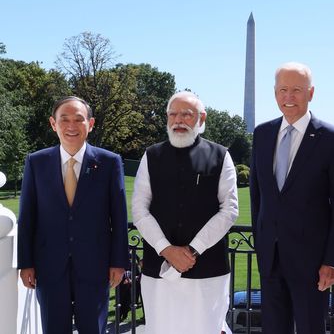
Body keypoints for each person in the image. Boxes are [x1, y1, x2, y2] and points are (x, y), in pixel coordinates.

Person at [250, 62, 334, 334]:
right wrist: (261, 242)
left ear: (311, 93)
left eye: (297, 90)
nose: (289, 97)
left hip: (313, 262)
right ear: (274, 93)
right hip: (270, 259)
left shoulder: (331, 138)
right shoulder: (261, 134)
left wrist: (332, 261)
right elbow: (258, 197)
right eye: (283, 90)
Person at [17, 96, 129, 334]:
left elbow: (119, 217)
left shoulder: (110, 163)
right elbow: (27, 217)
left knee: (93, 329)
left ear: (90, 124)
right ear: (53, 123)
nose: (71, 126)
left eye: (79, 119)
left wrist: (119, 262)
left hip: (95, 267)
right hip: (48, 268)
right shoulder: (36, 162)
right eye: (64, 119)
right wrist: (25, 263)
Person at [132, 91, 238, 333]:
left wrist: (192, 250)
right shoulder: (151, 155)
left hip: (208, 271)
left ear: (201, 118)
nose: (178, 120)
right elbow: (139, 209)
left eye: (186, 114)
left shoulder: (220, 155)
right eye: (173, 114)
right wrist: (166, 249)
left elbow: (229, 209)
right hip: (158, 271)